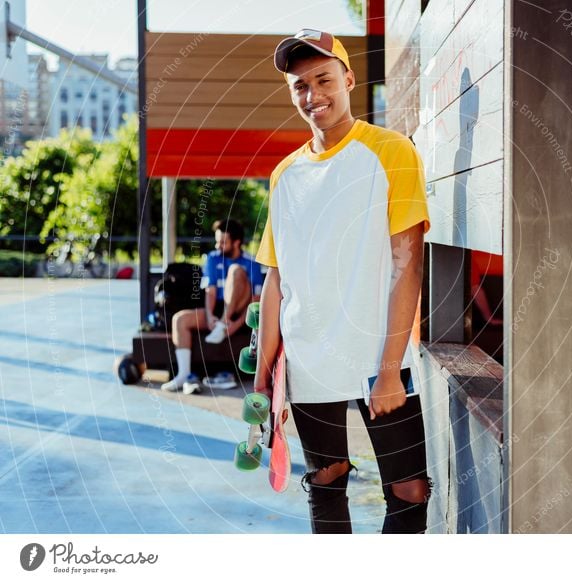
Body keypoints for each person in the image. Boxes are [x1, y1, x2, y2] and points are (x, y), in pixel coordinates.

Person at [253, 29, 432, 533]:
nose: (314, 96)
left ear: (348, 79)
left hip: (379, 358)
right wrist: (265, 379)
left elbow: (407, 266)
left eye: (324, 79)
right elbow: (276, 281)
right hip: (308, 359)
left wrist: (391, 369)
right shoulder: (285, 174)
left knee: (409, 490)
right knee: (326, 481)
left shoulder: (391, 151)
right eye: (300, 86)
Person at [161, 218, 263, 393]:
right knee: (180, 319)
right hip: (218, 309)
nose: (218, 246)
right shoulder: (212, 258)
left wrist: (236, 324)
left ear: (237, 242)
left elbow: (256, 300)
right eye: (217, 241)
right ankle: (183, 375)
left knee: (236, 271)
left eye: (223, 242)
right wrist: (209, 317)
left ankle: (223, 324)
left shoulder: (251, 262)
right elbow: (210, 292)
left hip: (241, 311)